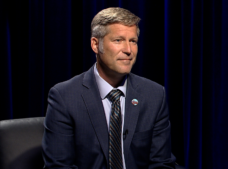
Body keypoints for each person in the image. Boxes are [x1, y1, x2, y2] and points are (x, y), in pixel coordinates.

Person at [42, 7, 175, 169]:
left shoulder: (154, 95)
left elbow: (161, 163)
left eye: (133, 41)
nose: (128, 50)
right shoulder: (64, 97)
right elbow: (58, 166)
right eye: (118, 40)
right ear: (96, 45)